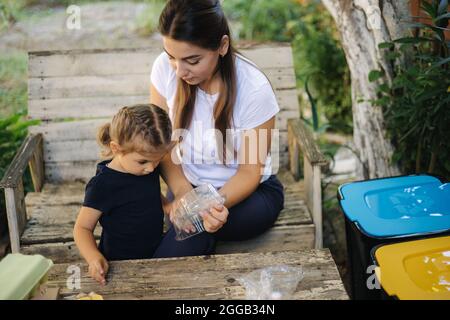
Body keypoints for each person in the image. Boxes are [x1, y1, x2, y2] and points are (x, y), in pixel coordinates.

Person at [149, 0, 285, 258]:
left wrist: (209, 206)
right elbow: (160, 144)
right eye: (171, 58)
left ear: (222, 46)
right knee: (159, 220)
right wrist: (183, 194)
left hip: (246, 195)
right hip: (186, 185)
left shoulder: (253, 90)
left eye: (192, 60)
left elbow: (248, 172)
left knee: (194, 226)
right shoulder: (164, 71)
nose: (179, 71)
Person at [73, 104, 229, 285]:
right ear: (116, 148)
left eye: (156, 161)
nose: (150, 168)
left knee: (200, 231)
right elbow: (82, 228)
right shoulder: (102, 185)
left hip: (156, 248)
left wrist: (168, 206)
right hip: (123, 263)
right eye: (143, 161)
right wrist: (93, 257)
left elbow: (145, 194)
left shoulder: (146, 166)